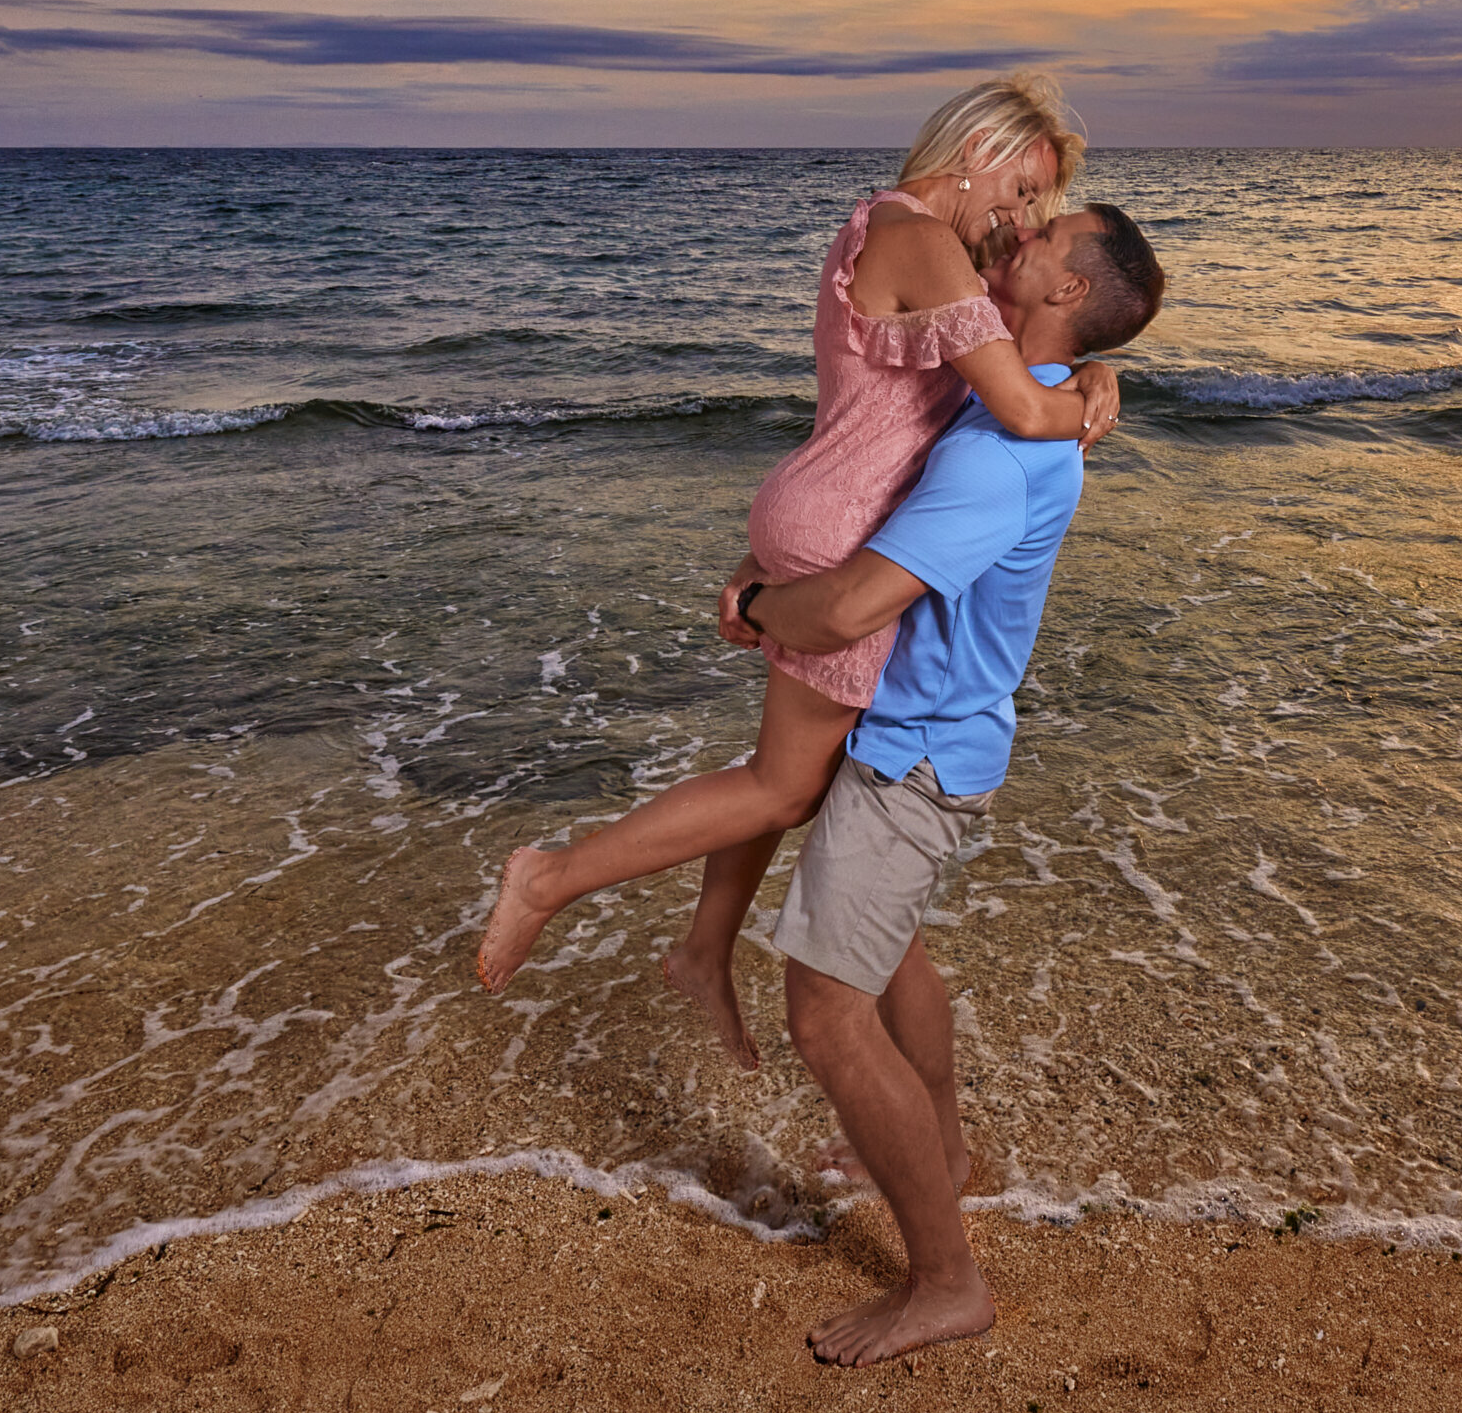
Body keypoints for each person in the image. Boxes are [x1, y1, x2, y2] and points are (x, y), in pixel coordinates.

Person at [475, 73, 1122, 1033]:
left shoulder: (892, 226)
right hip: (845, 530)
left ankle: (703, 949)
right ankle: (551, 880)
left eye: (1039, 206)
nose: (1023, 219)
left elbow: (1036, 332)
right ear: (973, 148)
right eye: (1021, 189)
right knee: (786, 784)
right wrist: (1094, 404)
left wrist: (1097, 355)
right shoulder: (928, 243)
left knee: (781, 773)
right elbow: (1024, 406)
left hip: (816, 503)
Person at [727, 197, 1165, 1367]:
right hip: (934, 734)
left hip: (912, 753)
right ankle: (951, 1150)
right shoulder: (1017, 407)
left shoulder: (994, 455)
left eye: (1042, 239)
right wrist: (1085, 389)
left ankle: (945, 1277)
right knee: (898, 952)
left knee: (824, 1011)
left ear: (1067, 292)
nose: (1016, 241)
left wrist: (754, 606)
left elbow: (862, 602)